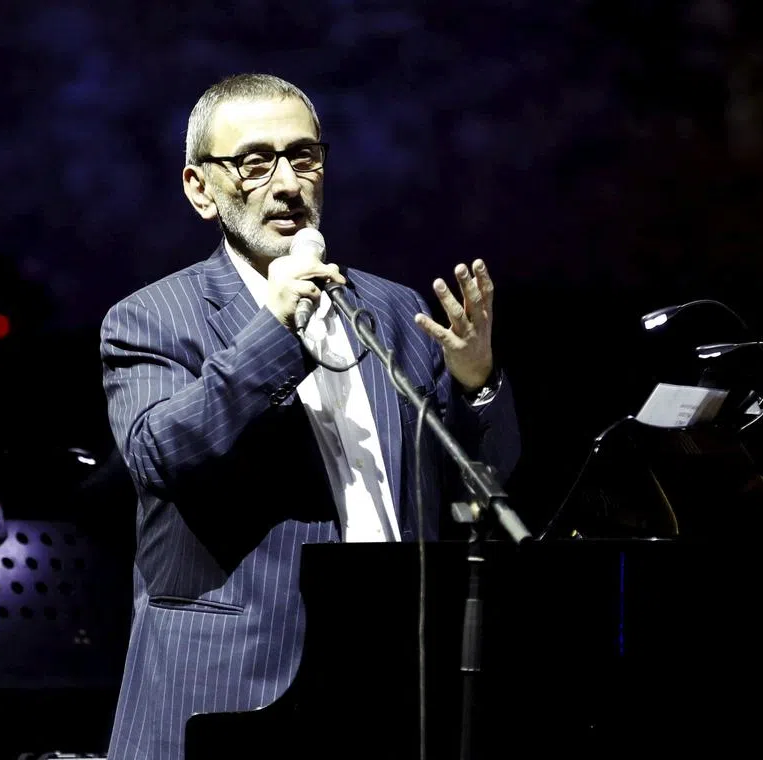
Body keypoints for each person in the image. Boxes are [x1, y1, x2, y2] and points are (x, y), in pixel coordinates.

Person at [99, 73, 521, 760]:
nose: (289, 182)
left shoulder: (390, 310)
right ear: (200, 188)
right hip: (232, 681)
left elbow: (479, 480)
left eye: (304, 157)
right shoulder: (151, 317)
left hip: (392, 675)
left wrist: (475, 384)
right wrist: (276, 327)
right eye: (254, 162)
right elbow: (158, 455)